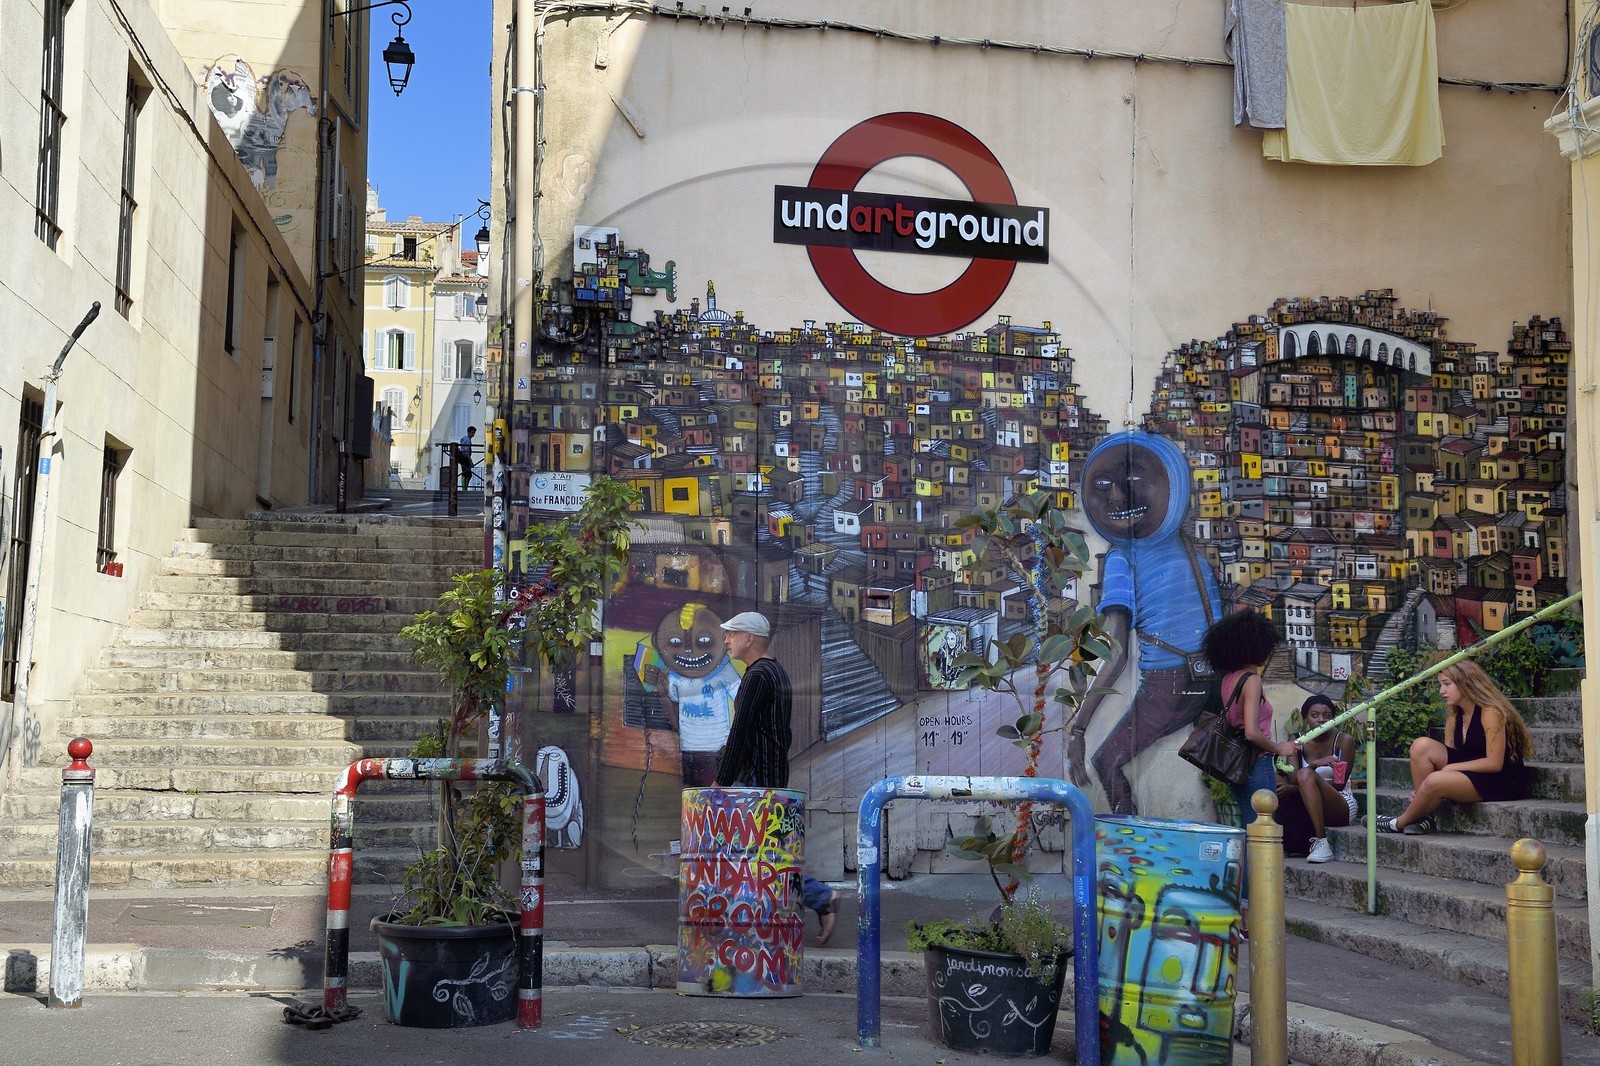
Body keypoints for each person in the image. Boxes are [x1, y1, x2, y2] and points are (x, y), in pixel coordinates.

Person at [1068, 431, 1222, 815]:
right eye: (1103, 485)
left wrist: (1078, 728)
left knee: (1105, 761)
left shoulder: (1122, 558)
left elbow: (1116, 655)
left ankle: (1130, 841)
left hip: (1166, 685)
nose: (1116, 497)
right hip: (1210, 683)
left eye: (1132, 483)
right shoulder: (1193, 553)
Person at [712, 611, 838, 944]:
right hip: (766, 777)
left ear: (749, 639)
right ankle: (812, 900)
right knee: (765, 852)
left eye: (731, 634)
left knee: (750, 853)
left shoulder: (757, 676)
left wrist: (721, 779)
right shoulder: (775, 672)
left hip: (754, 782)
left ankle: (813, 900)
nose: (726, 640)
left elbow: (741, 732)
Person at [1199, 608, 1296, 929]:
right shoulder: (1251, 680)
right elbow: (1253, 732)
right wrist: (1279, 747)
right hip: (1257, 767)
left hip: (1240, 769)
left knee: (1246, 836)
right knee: (1260, 840)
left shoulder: (1229, 680)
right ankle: (1249, 914)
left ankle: (1241, 912)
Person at [1374, 659, 1532, 834]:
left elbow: (1494, 763)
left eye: (1447, 684)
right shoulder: (1455, 714)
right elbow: (1450, 753)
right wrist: (1424, 792)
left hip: (1500, 780)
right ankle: (1426, 817)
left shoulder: (1490, 712)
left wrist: (1449, 770)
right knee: (1420, 746)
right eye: (1440, 685)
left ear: (1466, 683)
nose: (1442, 691)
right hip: (1470, 771)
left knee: (1435, 780)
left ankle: (1397, 823)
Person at [1276, 695, 1357, 862]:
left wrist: (1310, 773)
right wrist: (1315, 765)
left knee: (1305, 775)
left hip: (1340, 803)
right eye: (1315, 715)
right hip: (1308, 801)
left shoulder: (1343, 740)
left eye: (1327, 716)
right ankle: (1287, 841)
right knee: (1278, 778)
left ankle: (1322, 843)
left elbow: (1340, 785)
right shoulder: (1297, 739)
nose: (1321, 720)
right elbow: (1293, 778)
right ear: (1306, 717)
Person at [456, 426, 477, 491]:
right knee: (466, 474)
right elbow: (466, 452)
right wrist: (470, 461)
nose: (473, 434)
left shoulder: (464, 438)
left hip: (463, 457)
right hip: (465, 458)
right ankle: (464, 488)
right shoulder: (467, 440)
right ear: (468, 432)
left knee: (467, 474)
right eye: (472, 433)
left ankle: (464, 488)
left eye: (474, 433)